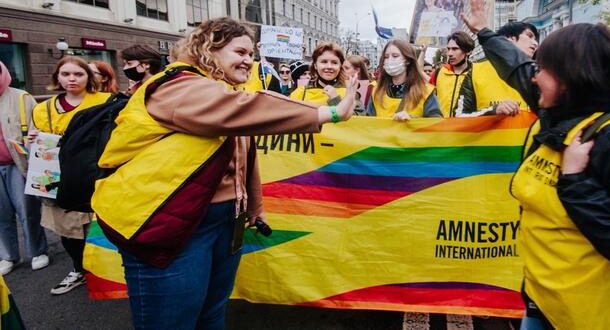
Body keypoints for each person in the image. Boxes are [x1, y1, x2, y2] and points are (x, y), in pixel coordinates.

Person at [91, 17, 358, 329]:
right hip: (171, 226)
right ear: (210, 48)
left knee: (211, 315)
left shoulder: (223, 91)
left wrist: (254, 207)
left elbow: (245, 156)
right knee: (172, 323)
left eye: (251, 54)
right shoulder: (176, 86)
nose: (249, 60)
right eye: (240, 52)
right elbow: (243, 108)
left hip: (222, 223)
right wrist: (331, 113)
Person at [462, 0, 610, 329]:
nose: (534, 77)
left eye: (544, 69)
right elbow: (518, 68)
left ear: (573, 77)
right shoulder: (558, 111)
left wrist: (577, 185)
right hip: (543, 304)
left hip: (596, 318)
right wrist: (485, 32)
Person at [30, 56, 110, 295]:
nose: (72, 79)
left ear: (89, 77)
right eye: (66, 74)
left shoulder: (107, 102)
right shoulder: (42, 109)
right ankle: (79, 269)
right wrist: (33, 140)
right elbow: (38, 140)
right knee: (66, 229)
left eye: (78, 74)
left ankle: (109, 273)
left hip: (95, 175)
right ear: (57, 78)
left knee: (102, 227)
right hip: (56, 177)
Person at [0, 61, 49, 276]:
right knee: (1, 214)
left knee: (27, 210)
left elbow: (36, 131)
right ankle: (8, 255)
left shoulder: (21, 98)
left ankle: (37, 251)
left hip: (18, 165)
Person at [458, 21, 537, 116]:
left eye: (536, 39)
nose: (535, 43)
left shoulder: (538, 74)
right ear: (509, 39)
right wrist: (492, 110)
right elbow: (459, 116)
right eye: (529, 36)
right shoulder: (475, 72)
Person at [366, 39, 442, 120]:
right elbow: (368, 126)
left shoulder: (425, 92)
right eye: (386, 57)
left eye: (395, 56)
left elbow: (436, 125)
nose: (389, 60)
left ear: (408, 60)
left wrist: (413, 120)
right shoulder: (376, 92)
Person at [291, 43, 364, 115]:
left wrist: (335, 100)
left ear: (340, 66)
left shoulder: (349, 92)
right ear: (315, 65)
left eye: (334, 63)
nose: (329, 66)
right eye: (324, 62)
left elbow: (360, 120)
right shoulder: (301, 92)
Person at [430, 31, 474, 117]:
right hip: (439, 126)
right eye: (448, 49)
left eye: (455, 49)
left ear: (468, 51)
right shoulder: (439, 73)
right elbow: (427, 99)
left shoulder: (476, 74)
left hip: (465, 127)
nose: (450, 53)